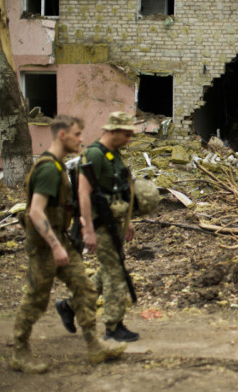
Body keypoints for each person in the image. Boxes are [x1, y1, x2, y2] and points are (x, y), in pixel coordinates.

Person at [12, 115, 126, 374]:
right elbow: (36, 212)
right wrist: (55, 246)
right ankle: (19, 351)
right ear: (62, 135)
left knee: (84, 289)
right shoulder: (48, 169)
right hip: (44, 246)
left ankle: (94, 345)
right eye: (77, 134)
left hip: (61, 240)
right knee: (36, 299)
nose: (82, 139)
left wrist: (80, 227)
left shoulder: (59, 166)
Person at [56, 111, 139, 342]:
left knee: (108, 271)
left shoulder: (114, 155)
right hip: (98, 224)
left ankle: (69, 306)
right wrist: (88, 230)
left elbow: (120, 191)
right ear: (112, 131)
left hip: (113, 223)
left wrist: (127, 221)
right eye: (126, 134)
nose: (128, 139)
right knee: (114, 273)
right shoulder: (93, 154)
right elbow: (83, 193)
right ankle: (113, 326)